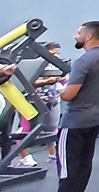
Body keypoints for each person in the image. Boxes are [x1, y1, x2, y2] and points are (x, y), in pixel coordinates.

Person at [56, 22, 99, 192]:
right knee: (83, 165)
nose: (76, 36)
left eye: (79, 33)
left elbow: (68, 95)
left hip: (74, 122)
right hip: (94, 120)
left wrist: (60, 89)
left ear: (88, 36)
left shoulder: (83, 61)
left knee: (68, 169)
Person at [13, 41, 65, 169]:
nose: (56, 56)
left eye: (57, 53)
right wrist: (47, 81)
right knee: (24, 130)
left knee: (51, 129)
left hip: (52, 100)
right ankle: (25, 158)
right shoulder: (35, 65)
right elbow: (29, 81)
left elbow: (64, 79)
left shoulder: (57, 65)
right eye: (53, 53)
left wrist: (65, 80)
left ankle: (53, 155)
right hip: (33, 102)